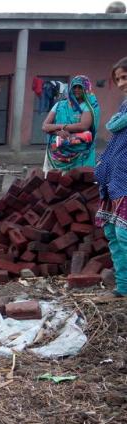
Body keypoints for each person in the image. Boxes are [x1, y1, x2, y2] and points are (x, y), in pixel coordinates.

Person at [95, 57, 127, 297]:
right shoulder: (123, 108)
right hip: (113, 181)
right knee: (113, 234)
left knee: (124, 235)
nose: (121, 83)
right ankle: (123, 285)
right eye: (118, 79)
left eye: (124, 77)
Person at [42, 75, 101, 173]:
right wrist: (58, 132)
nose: (77, 90)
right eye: (74, 87)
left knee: (79, 184)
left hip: (80, 155)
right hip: (56, 153)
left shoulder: (88, 107)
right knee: (53, 183)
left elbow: (83, 126)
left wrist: (61, 127)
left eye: (80, 87)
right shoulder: (59, 105)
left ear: (86, 89)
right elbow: (45, 126)